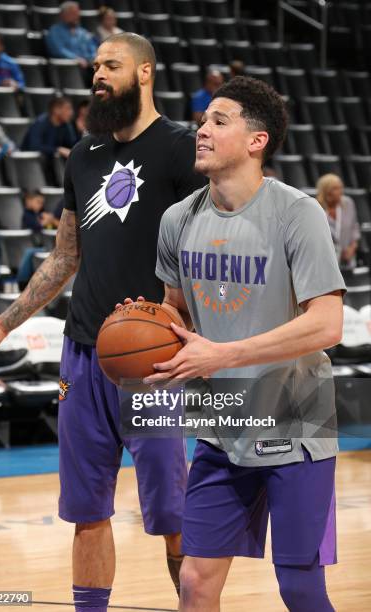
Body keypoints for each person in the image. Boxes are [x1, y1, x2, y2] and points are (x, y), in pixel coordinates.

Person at [0, 32, 206, 612]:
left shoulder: (179, 148)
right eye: (95, 65)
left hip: (154, 360)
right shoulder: (85, 153)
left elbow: (202, 252)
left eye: (112, 65)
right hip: (83, 355)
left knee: (173, 516)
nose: (98, 74)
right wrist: (7, 321)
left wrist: (175, 319)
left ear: (145, 73)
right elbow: (65, 255)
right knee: (86, 511)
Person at [145, 76, 345, 610]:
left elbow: (327, 325)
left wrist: (225, 353)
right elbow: (176, 307)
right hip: (222, 424)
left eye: (218, 121)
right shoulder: (178, 218)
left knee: (299, 586)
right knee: (194, 581)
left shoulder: (296, 214)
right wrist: (144, 324)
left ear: (257, 141)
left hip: (296, 424)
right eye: (202, 120)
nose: (201, 130)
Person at [21, 96, 78, 183]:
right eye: (68, 109)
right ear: (56, 110)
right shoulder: (40, 123)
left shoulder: (65, 125)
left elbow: (72, 145)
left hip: (52, 165)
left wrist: (80, 132)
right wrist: (57, 149)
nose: (71, 113)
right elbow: (34, 146)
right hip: (30, 166)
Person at [316, 173, 361, 269]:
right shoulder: (316, 208)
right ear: (326, 191)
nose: (340, 192)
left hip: (348, 260)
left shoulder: (348, 203)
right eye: (335, 188)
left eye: (341, 188)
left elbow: (354, 229)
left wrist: (352, 248)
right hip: (326, 262)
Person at [46, 1, 97, 67]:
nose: (77, 16)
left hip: (88, 66)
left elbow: (92, 48)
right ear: (63, 14)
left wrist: (94, 58)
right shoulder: (54, 31)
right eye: (72, 13)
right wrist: (75, 58)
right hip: (68, 67)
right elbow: (58, 50)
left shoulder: (82, 32)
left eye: (77, 13)